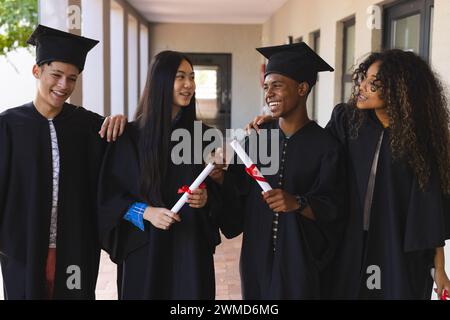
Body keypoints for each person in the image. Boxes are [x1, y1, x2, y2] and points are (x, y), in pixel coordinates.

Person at [247, 49, 450, 299]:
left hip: (395, 250)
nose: (362, 87)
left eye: (373, 83)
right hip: (347, 243)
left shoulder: (420, 141)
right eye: (363, 78)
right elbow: (314, 148)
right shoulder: (347, 120)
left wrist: (440, 269)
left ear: (401, 89)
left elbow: (429, 210)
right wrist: (278, 118)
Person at [210, 42, 346, 299]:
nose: (268, 93)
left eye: (277, 85)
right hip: (256, 256)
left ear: (302, 88)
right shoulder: (259, 138)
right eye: (265, 87)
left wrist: (298, 202)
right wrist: (221, 178)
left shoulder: (326, 146)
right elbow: (239, 192)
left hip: (302, 260)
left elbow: (334, 205)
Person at [0, 25, 125, 300]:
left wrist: (121, 123)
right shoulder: (8, 126)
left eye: (72, 78)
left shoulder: (91, 126)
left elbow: (118, 171)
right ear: (37, 72)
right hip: (24, 248)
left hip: (76, 247)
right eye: (56, 75)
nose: (63, 86)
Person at [97, 50, 225, 299]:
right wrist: (146, 212)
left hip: (190, 249)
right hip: (145, 248)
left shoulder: (205, 137)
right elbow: (110, 197)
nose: (189, 85)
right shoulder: (129, 136)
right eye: (180, 77)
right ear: (161, 81)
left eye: (192, 77)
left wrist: (207, 198)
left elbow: (223, 196)